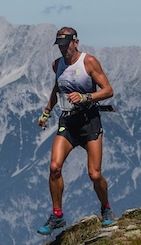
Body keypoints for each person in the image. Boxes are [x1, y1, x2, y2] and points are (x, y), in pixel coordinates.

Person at [36, 27, 116, 234]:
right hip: (68, 122)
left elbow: (108, 90)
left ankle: (106, 209)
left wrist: (85, 97)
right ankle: (57, 215)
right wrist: (46, 112)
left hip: (89, 121)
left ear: (75, 43)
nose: (63, 50)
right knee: (54, 167)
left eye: (66, 45)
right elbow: (57, 88)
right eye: (60, 46)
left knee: (94, 174)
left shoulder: (88, 62)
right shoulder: (57, 65)